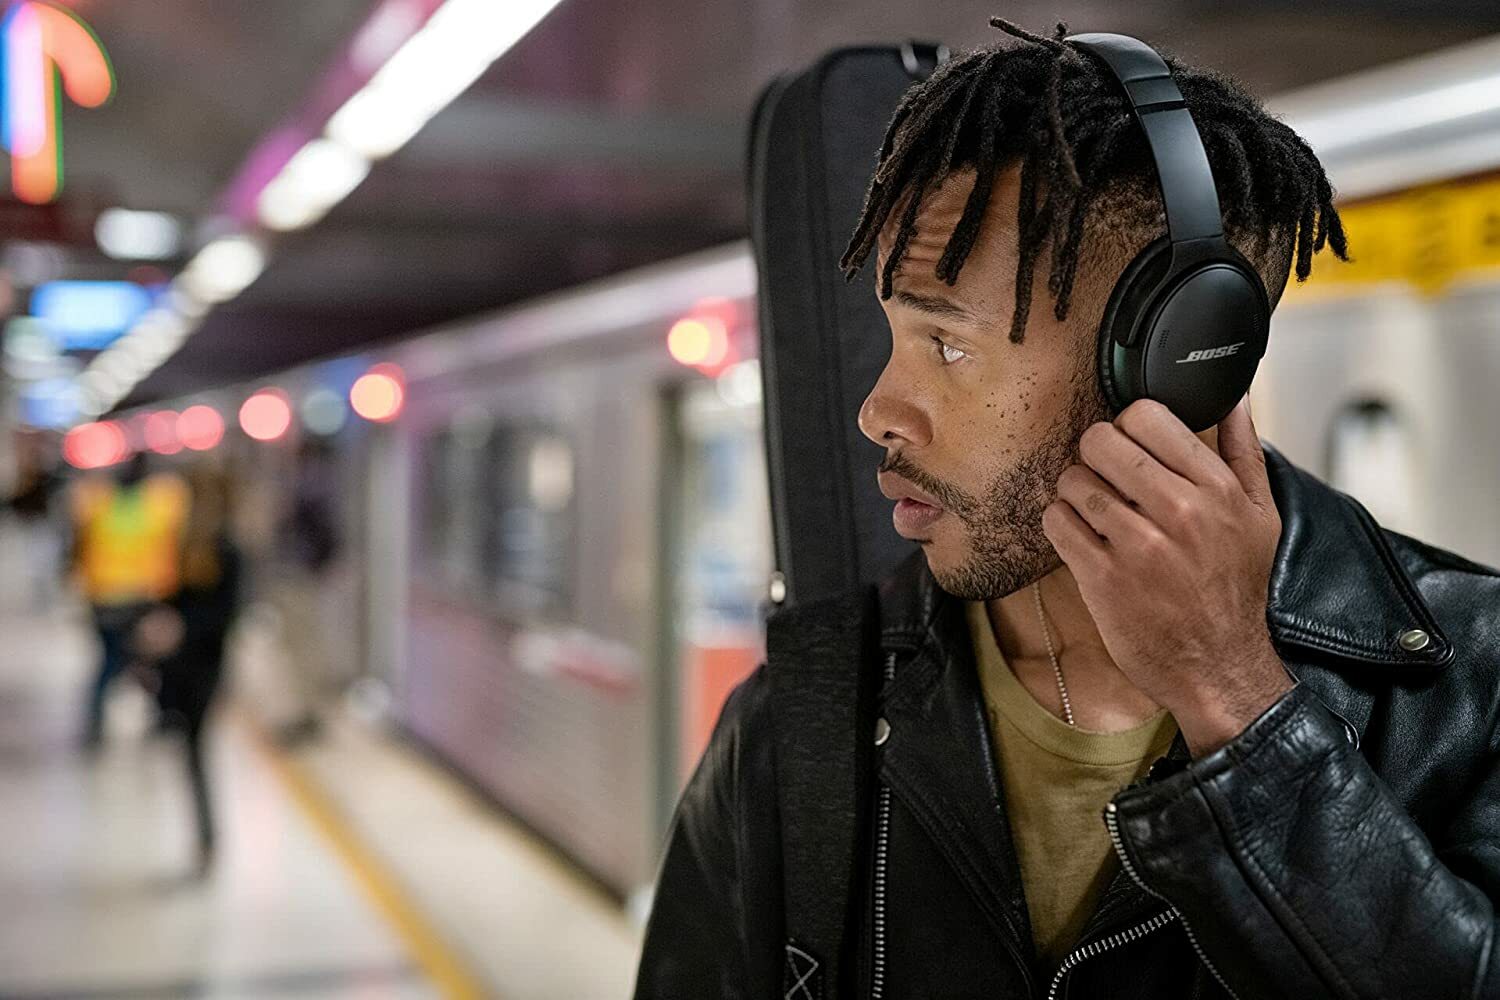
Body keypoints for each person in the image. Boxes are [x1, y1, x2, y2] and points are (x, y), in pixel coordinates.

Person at [634, 20, 1500, 1000]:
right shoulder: (803, 721)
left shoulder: (1471, 690)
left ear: (1170, 365)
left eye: (948, 347)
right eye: (892, 336)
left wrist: (1237, 706)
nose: (876, 410)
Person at [133, 463, 242, 876]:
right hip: (174, 668)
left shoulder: (228, 551)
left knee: (196, 751)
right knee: (187, 751)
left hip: (205, 667)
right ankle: (201, 835)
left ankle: (207, 837)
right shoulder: (176, 545)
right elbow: (161, 596)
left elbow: (227, 613)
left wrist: (180, 627)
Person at [70, 452, 187, 747]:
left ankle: (101, 719)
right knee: (136, 661)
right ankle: (155, 714)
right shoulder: (157, 505)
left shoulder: (100, 502)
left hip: (107, 596)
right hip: (137, 597)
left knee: (116, 661)